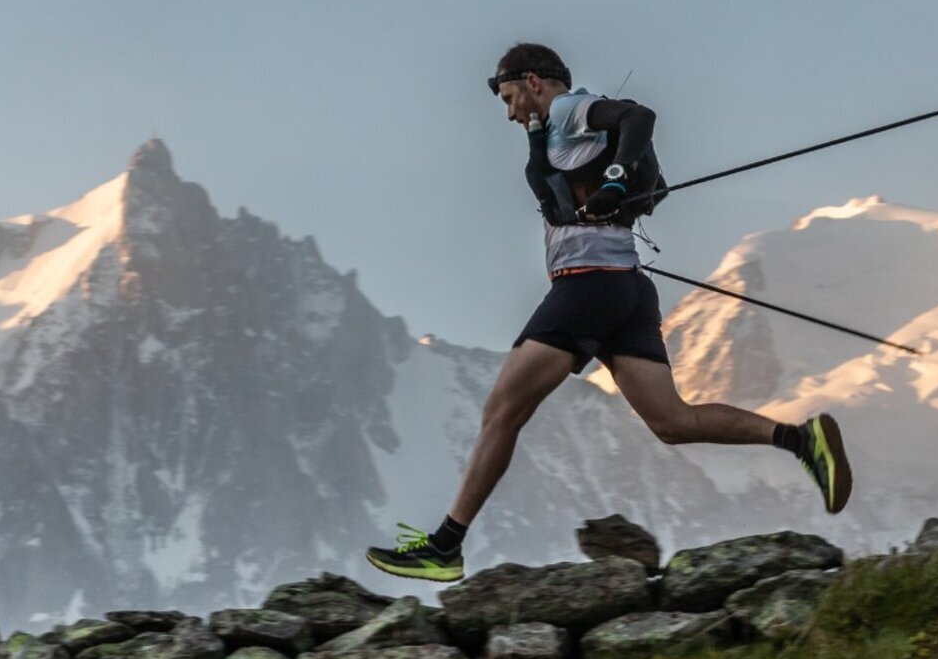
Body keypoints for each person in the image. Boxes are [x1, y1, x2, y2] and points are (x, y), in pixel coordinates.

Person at [365, 42, 851, 582]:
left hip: (588, 288)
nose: (508, 112)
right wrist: (615, 193)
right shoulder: (551, 129)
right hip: (625, 290)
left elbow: (639, 117)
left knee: (502, 411)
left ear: (533, 81)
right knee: (673, 422)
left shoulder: (571, 110)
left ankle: (445, 547)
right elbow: (648, 188)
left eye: (508, 98)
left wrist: (616, 179)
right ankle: (802, 441)